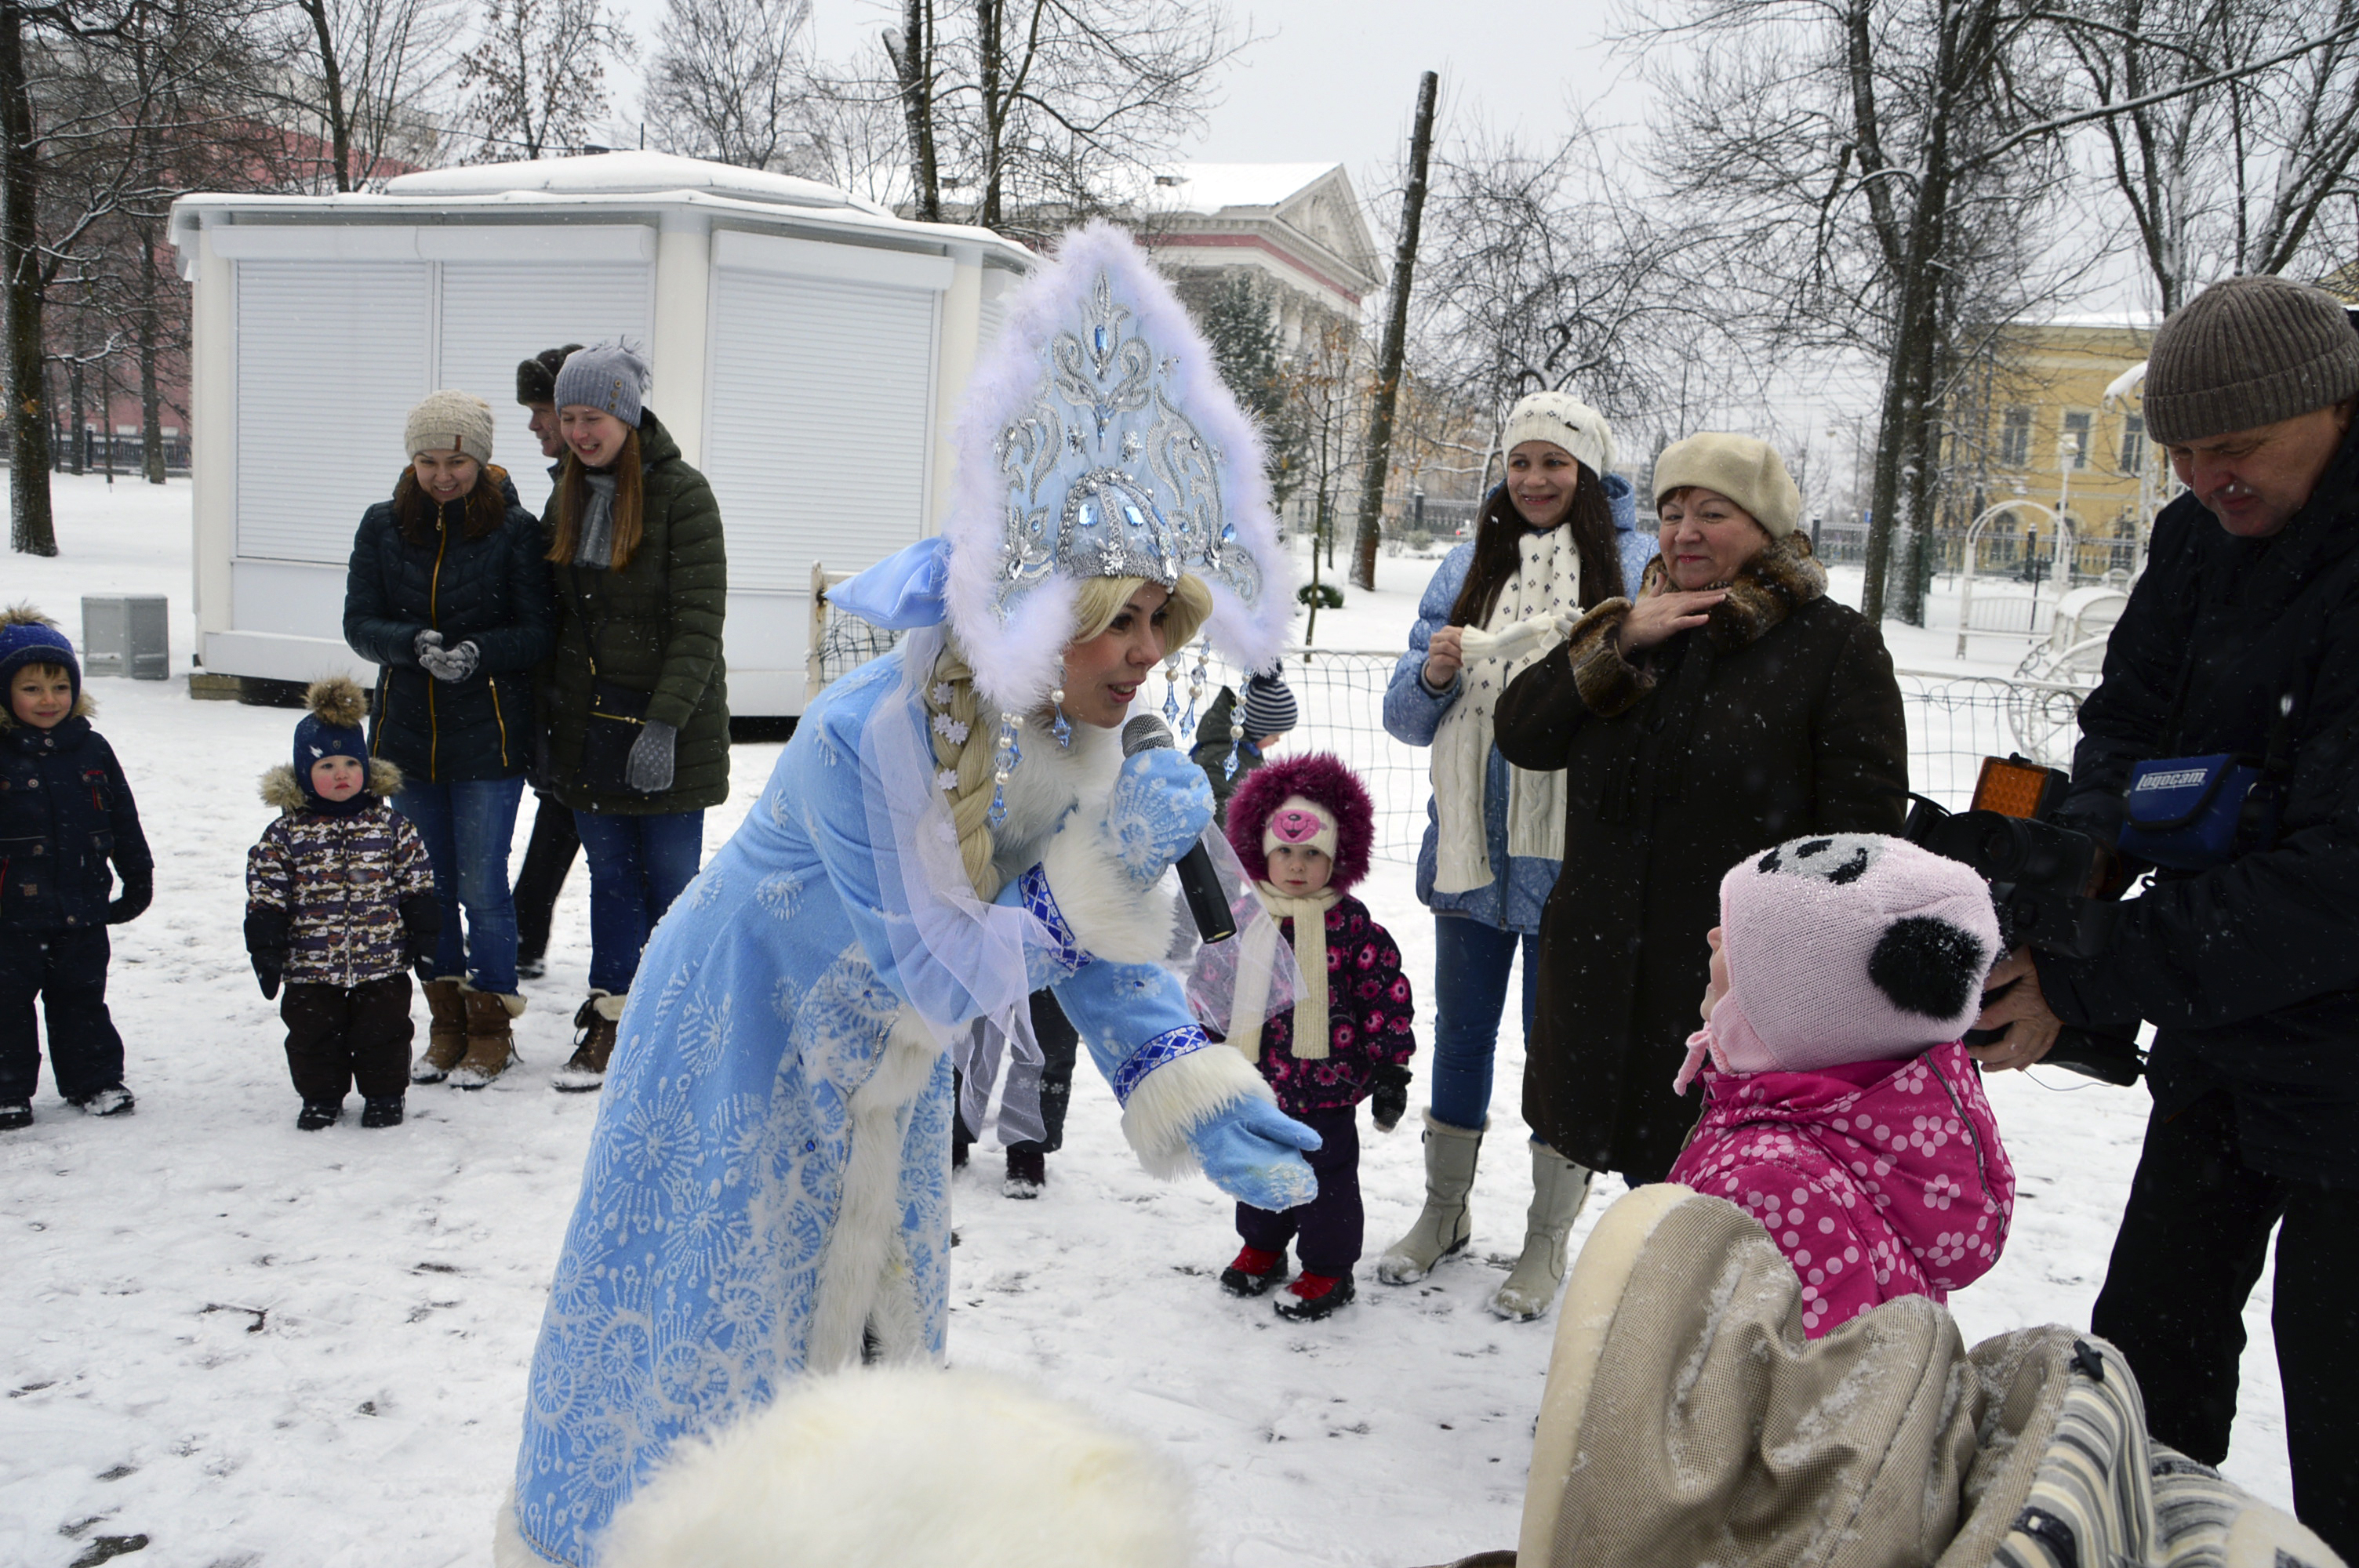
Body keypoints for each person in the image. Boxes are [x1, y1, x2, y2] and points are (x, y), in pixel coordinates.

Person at [498, 223, 1314, 1567]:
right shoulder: (862, 731)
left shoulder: (1088, 736)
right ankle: (642, 1536)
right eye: (1120, 618)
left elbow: (1093, 956)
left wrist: (1189, 1088)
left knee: (872, 1294)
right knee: (713, 1308)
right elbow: (942, 966)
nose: (1147, 653)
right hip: (744, 1022)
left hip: (880, 1059)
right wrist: (1105, 870)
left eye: (1160, 619)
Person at [1971, 274, 2359, 1559]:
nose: (2200, 478)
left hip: (2345, 1071)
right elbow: (2124, 726)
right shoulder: (2199, 538)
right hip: (2218, 1037)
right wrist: (2055, 898)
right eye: (2179, 453)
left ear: (2332, 406)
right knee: (2143, 1363)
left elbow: (2335, 879)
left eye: (2231, 448)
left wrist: (2093, 973)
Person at [1491, 432, 1906, 1309]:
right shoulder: (1636, 629)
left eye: (1711, 512)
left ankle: (1702, 1374)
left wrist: (1803, 963)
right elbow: (1523, 734)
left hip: (1733, 980)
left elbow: (1863, 834)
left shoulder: (1831, 647)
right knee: (1640, 1179)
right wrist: (1612, 638)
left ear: (1764, 526)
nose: (1683, 530)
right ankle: (1641, 1359)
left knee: (1721, 1195)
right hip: (1605, 956)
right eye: (1671, 510)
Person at [1416, 1185, 2346, 1568]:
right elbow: (1958, 1236)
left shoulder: (1763, 1164)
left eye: (1727, 957)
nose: (1705, 954)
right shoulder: (1907, 1102)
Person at [1376, 390, 1635, 1319]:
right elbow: (1404, 720)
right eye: (1519, 461)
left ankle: (1543, 1239)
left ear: (1587, 474)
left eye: (1554, 463)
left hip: (1571, 863)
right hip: (1469, 856)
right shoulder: (1464, 566)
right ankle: (1442, 1214)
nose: (1533, 479)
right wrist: (1434, 671)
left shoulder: (1630, 570)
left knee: (1552, 1047)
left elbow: (1640, 717)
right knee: (1462, 1035)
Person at [1663, 833, 2012, 1337]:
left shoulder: (1771, 1188)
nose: (1715, 937)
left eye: (1745, 943)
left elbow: (1753, 1389)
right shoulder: (1853, 1123)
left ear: (1801, 1008)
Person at [343, 390, 554, 1089]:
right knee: (426, 889)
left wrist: (476, 654)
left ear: (481, 460)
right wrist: (412, 643)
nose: (442, 476)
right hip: (405, 739)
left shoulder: (515, 531)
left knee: (482, 885)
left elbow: (536, 631)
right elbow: (360, 623)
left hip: (487, 740)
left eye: (456, 461)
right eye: (429, 461)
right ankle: (445, 1022)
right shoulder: (381, 526)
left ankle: (491, 1026)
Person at [538, 342, 729, 1093]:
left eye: (593, 418)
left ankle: (681, 1022)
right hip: (591, 723)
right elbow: (561, 620)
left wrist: (664, 723)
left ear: (625, 414)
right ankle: (614, 1021)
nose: (580, 432)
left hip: (669, 724)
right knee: (612, 879)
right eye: (569, 418)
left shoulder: (682, 494)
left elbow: (697, 621)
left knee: (674, 884)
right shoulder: (568, 494)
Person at [1212, 752, 1415, 1322]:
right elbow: (1214, 982)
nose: (1297, 867)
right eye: (1285, 852)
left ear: (1336, 859)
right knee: (1257, 1165)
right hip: (1254, 1079)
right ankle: (1264, 1245)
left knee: (1326, 1181)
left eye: (1312, 855)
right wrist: (1202, 1049)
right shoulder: (1245, 919)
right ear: (1262, 852)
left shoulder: (1352, 927)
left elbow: (1384, 996)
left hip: (1327, 1088)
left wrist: (1392, 1067)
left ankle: (1329, 1267)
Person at [243, 677, 441, 1131]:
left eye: (351, 762)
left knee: (385, 1032)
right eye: (326, 764)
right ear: (301, 773)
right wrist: (266, 948)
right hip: (310, 964)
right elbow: (266, 895)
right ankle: (321, 1096)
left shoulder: (393, 827)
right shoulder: (285, 835)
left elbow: (417, 884)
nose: (341, 774)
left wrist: (426, 935)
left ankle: (385, 1094)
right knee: (313, 1034)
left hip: (380, 960)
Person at [0, 607, 151, 1128]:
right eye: (32, 688)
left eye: (60, 687)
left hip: (81, 908)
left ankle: (95, 1080)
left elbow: (122, 819)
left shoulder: (91, 748)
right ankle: (7, 1091)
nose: (49, 700)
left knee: (82, 1001)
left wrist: (137, 877)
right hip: (8, 915)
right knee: (5, 1007)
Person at [510, 343, 585, 983]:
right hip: (559, 686)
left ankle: (524, 928)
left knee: (568, 807)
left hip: (579, 691)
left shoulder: (586, 488)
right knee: (562, 805)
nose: (534, 425)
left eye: (541, 410)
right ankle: (525, 927)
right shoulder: (567, 484)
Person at [1190, 668, 1299, 821]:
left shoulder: (1245, 747)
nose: (1277, 740)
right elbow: (1220, 817)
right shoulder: (1226, 758)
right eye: (1274, 735)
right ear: (1258, 727)